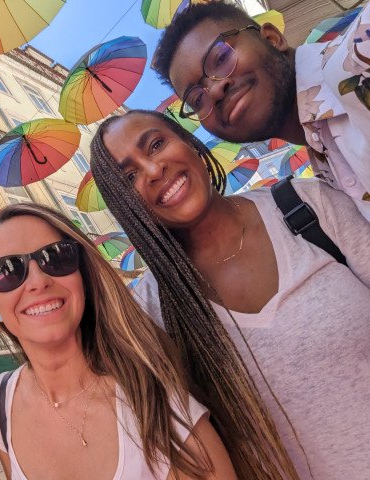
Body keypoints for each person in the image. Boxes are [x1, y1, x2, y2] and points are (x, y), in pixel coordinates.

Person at [90, 109, 370, 480]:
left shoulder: (307, 206)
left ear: (188, 141)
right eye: (130, 177)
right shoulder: (149, 312)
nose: (154, 170)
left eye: (156, 144)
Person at [0, 203, 237, 480]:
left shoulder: (155, 403)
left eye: (56, 257)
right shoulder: (1, 402)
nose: (38, 281)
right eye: (7, 270)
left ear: (83, 279)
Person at [152, 0, 370, 219]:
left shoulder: (359, 55)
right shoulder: (325, 161)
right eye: (197, 99)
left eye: (221, 58)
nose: (215, 90)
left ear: (272, 39)